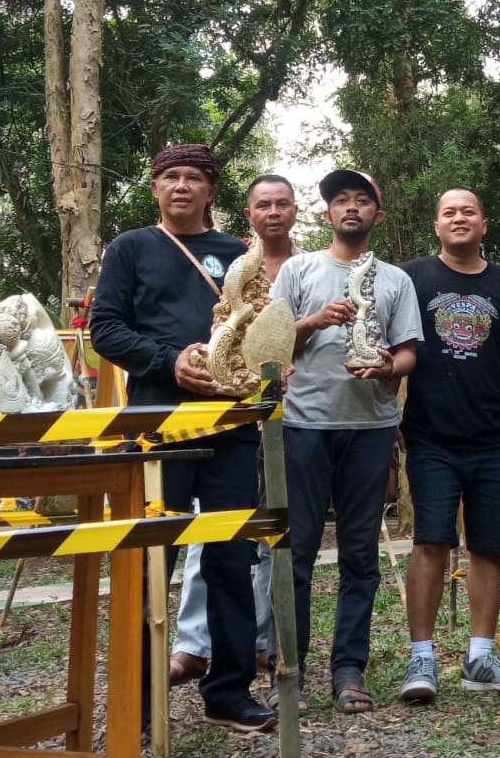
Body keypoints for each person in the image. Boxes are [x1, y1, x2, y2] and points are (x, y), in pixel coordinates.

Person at [89, 144, 274, 734]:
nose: (182, 187)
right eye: (171, 177)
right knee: (151, 557)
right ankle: (140, 697)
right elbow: (106, 330)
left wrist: (266, 361)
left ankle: (229, 691)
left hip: (230, 426)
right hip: (157, 424)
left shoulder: (238, 255)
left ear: (211, 190)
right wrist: (170, 362)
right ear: (155, 188)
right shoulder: (131, 249)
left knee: (229, 557)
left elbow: (258, 326)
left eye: (194, 178)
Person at [270, 169, 422, 714]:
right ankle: (290, 670)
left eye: (362, 201)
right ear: (328, 213)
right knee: (299, 552)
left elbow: (408, 352)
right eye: (341, 201)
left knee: (360, 555)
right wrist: (313, 320)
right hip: (304, 425)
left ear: (376, 215)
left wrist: (388, 370)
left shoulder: (396, 281)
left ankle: (349, 669)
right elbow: (270, 339)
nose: (351, 208)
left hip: (370, 429)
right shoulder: (298, 269)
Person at [396, 189, 500, 702]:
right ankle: (421, 659)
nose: (459, 218)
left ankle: (480, 656)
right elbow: (394, 343)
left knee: (489, 544)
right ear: (437, 225)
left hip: (494, 434)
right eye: (449, 212)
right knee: (430, 541)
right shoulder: (412, 277)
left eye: (468, 211)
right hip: (429, 434)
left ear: (484, 223)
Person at [170, 174, 299, 685]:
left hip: (298, 413)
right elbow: (223, 329)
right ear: (248, 214)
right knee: (216, 532)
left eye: (282, 204)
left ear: (295, 210)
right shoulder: (231, 264)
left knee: (273, 528)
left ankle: (264, 640)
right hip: (234, 412)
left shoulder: (310, 266)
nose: (273, 212)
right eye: (262, 204)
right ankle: (195, 643)